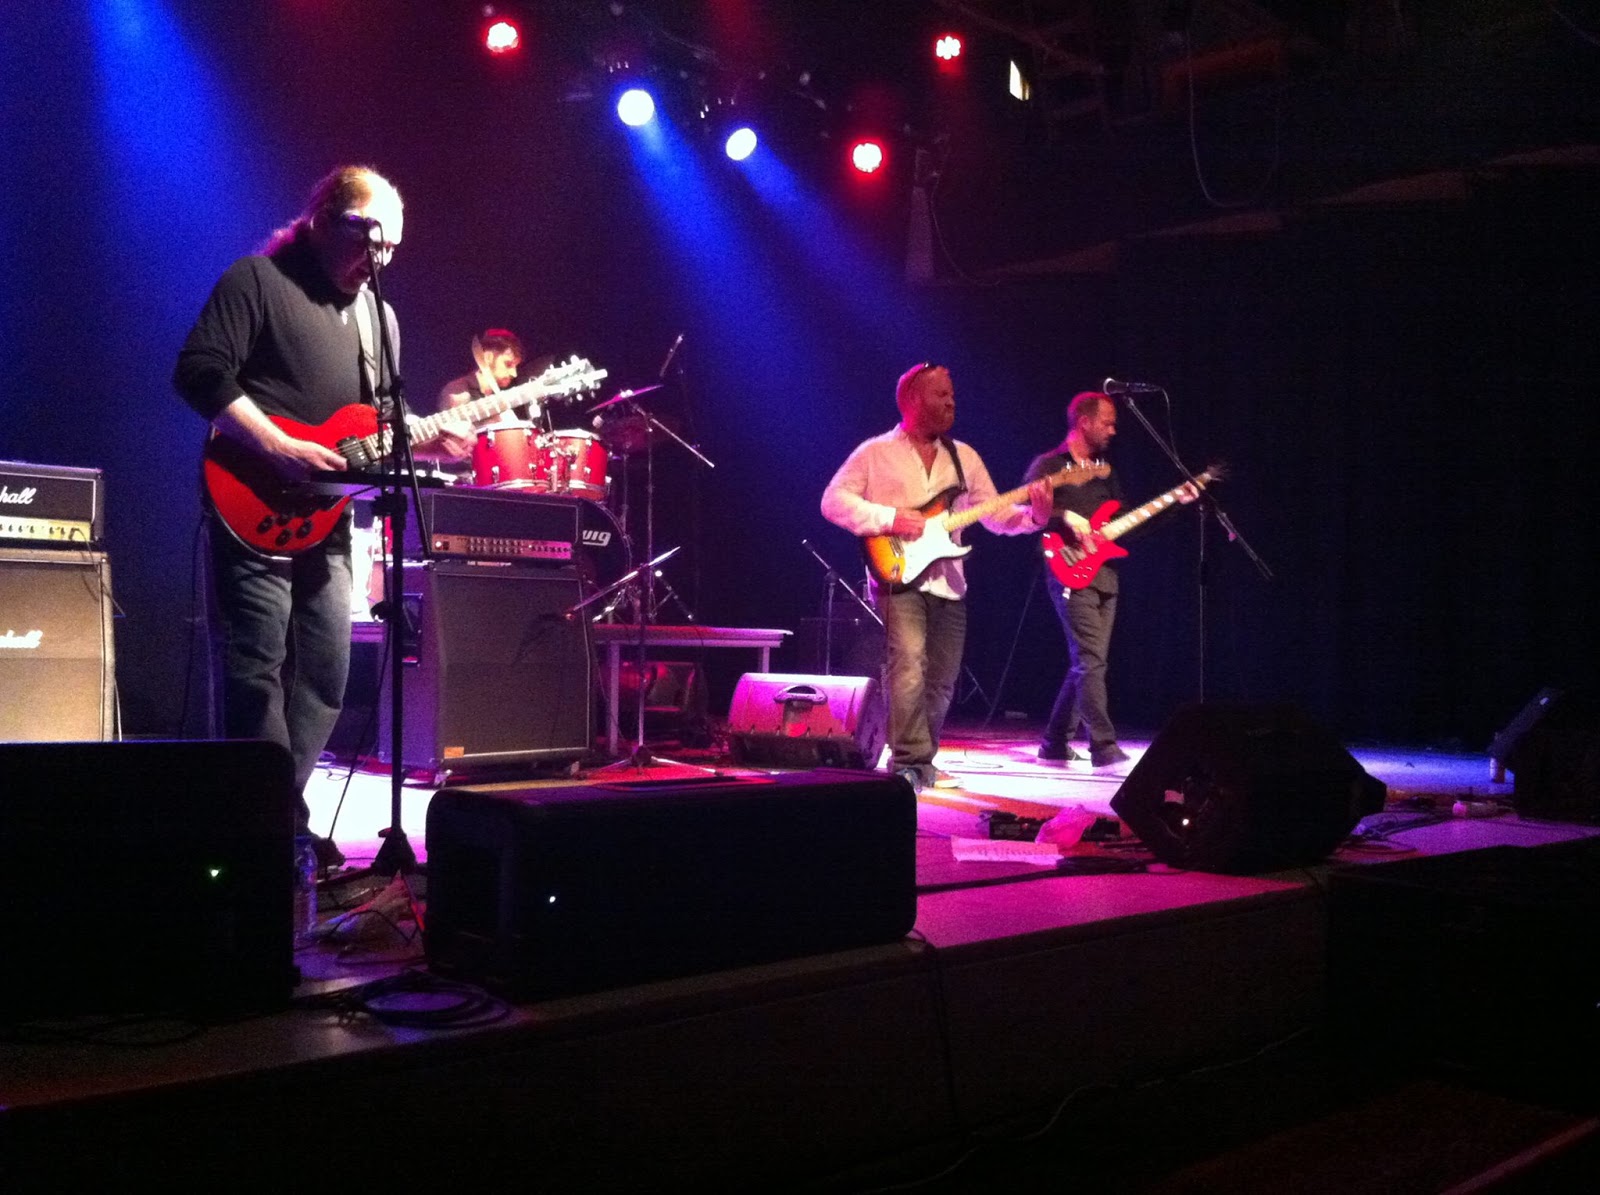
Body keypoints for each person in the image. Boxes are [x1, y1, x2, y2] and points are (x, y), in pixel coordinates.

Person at [174, 165, 470, 871]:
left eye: (392, 248)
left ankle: (275, 815)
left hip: (329, 516)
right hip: (251, 501)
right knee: (256, 668)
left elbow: (384, 420)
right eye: (371, 241)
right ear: (323, 219)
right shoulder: (257, 282)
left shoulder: (378, 317)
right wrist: (277, 446)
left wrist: (432, 439)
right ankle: (272, 834)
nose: (380, 260)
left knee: (327, 675)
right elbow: (199, 371)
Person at [822, 363, 1054, 792]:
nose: (951, 402)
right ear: (913, 400)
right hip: (897, 575)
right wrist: (890, 517)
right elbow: (833, 502)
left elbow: (995, 514)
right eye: (941, 394)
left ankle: (921, 760)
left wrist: (1035, 516)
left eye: (952, 395)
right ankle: (908, 762)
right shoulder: (875, 452)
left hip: (950, 581)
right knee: (909, 664)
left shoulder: (964, 457)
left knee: (943, 679)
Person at [1025, 390, 1194, 768]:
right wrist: (1064, 515)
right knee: (1090, 661)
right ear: (1084, 422)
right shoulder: (1049, 465)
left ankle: (1054, 743)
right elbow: (1025, 512)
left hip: (1104, 575)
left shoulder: (1106, 472)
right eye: (1108, 423)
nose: (1114, 430)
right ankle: (1102, 746)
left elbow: (1126, 525)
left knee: (1089, 661)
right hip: (1067, 570)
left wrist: (1174, 505)